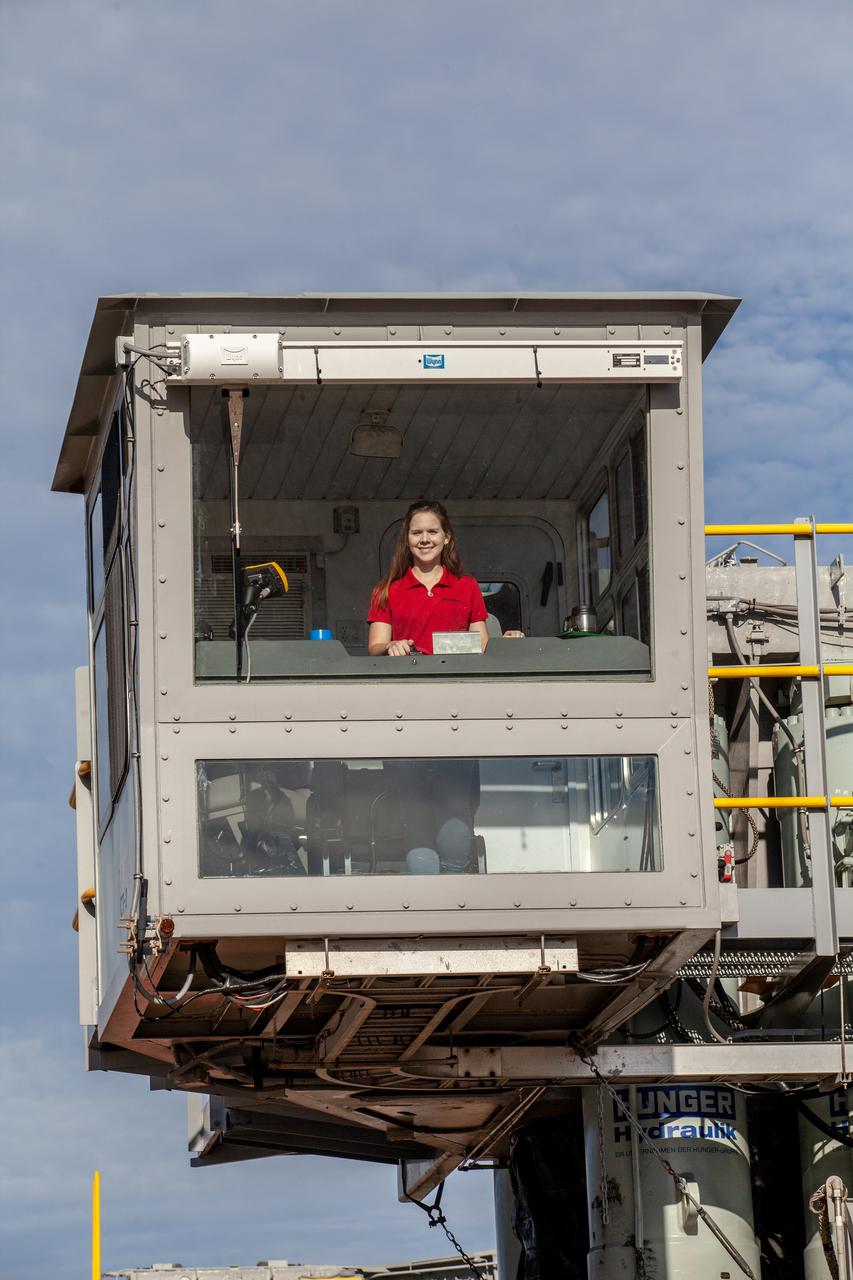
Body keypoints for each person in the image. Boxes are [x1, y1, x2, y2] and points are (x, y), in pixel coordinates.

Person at [367, 501, 489, 656]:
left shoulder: (467, 586)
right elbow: (375, 647)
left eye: (432, 532)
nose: (424, 539)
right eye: (416, 533)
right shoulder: (386, 589)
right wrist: (390, 646)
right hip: (408, 678)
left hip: (456, 677)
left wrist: (508, 642)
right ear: (407, 539)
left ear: (446, 537)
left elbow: (482, 645)